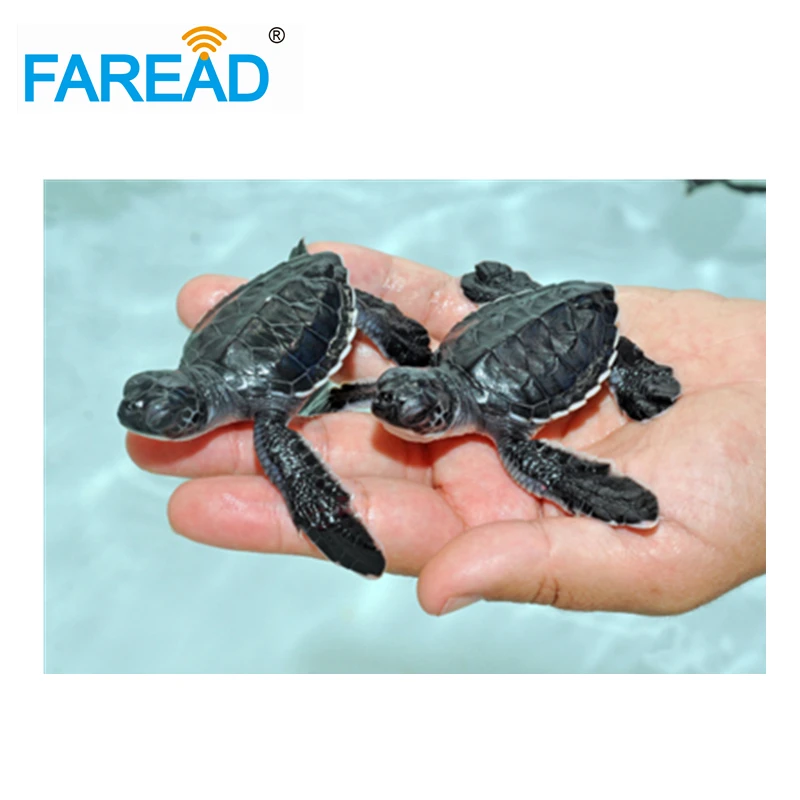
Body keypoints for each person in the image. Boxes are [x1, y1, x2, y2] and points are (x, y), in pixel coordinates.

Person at [126, 241, 766, 617]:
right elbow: (397, 383)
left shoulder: (509, 434)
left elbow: (409, 391)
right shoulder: (436, 366)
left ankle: (625, 363)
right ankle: (511, 292)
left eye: (409, 412)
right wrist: (357, 394)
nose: (391, 415)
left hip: (589, 331)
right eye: (390, 400)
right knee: (402, 367)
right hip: (476, 336)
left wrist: (620, 501)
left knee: (537, 455)